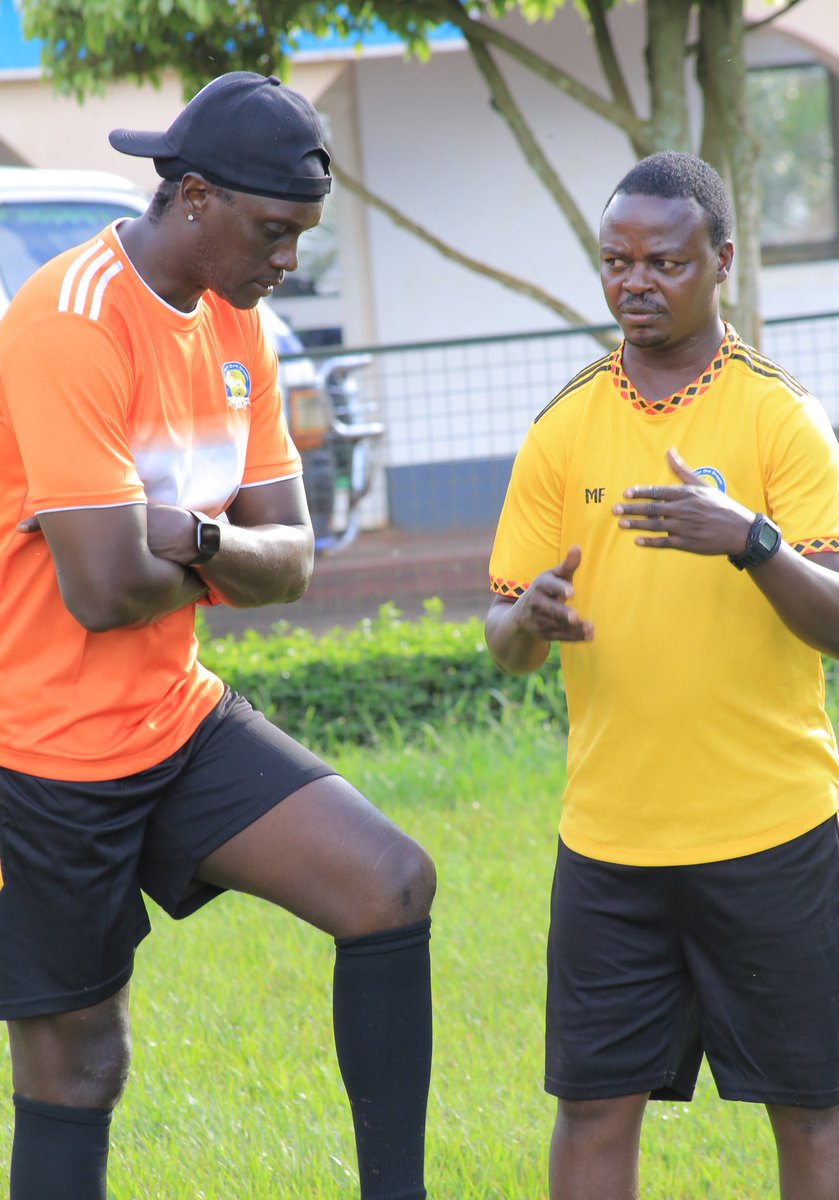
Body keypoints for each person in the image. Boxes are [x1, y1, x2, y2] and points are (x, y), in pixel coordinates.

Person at [0, 72, 436, 1200]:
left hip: (173, 717)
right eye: (276, 231)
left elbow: (289, 562)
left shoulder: (238, 325)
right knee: (81, 1064)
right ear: (195, 197)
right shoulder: (68, 318)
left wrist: (188, 534)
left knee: (387, 883)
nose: (289, 260)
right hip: (41, 755)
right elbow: (99, 590)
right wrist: (221, 554)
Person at [485, 150, 839, 1199]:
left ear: (720, 262)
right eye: (615, 261)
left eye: (664, 262)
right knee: (592, 1109)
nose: (635, 281)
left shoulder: (781, 419)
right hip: (608, 844)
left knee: (813, 1110)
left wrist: (752, 542)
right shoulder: (561, 427)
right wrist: (527, 620)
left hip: (772, 833)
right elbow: (499, 636)